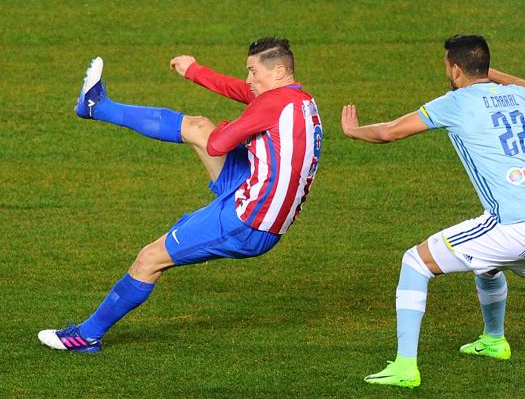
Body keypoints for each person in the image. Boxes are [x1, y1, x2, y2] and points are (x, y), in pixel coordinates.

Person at [38, 37, 323, 353]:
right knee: (198, 127)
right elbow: (239, 92)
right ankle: (96, 106)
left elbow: (218, 144)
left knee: (150, 258)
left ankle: (85, 336)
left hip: (247, 221)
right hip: (257, 195)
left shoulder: (270, 105)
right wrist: (194, 71)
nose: (248, 79)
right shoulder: (298, 100)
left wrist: (238, 128)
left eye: (253, 72)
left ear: (279, 71)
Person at [341, 34, 525, 388]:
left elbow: (391, 132)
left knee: (415, 262)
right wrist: (491, 74)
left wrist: (353, 131)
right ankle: (494, 341)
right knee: (487, 265)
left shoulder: (455, 103)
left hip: (514, 225)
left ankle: (405, 367)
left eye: (448, 67)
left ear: (456, 69)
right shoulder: (518, 96)